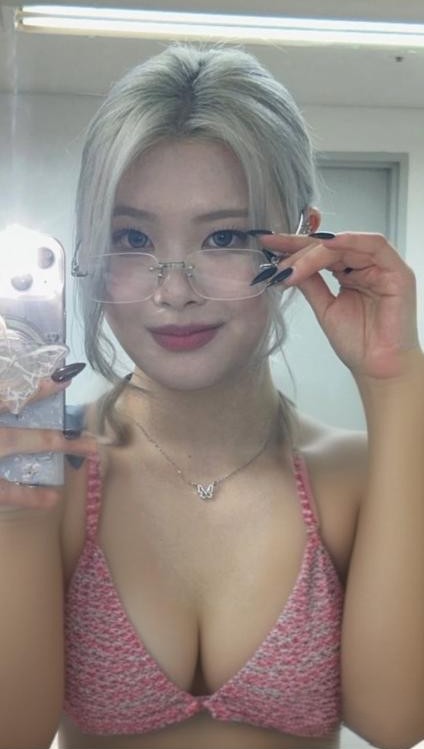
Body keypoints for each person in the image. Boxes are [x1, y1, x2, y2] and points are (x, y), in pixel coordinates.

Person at [0, 43, 423, 749]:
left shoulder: (349, 479)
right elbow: (13, 732)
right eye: (132, 237)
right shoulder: (50, 467)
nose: (174, 291)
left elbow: (396, 720)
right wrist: (14, 505)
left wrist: (396, 380)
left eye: (223, 236)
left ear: (301, 244)